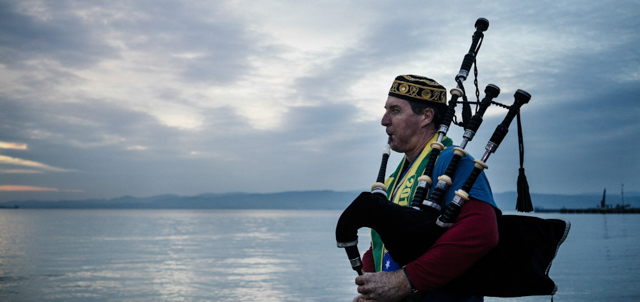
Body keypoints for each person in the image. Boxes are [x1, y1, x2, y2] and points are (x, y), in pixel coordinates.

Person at [352, 75, 500, 302]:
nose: (384, 120)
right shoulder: (392, 180)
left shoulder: (453, 162)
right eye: (386, 110)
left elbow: (481, 232)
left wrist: (406, 281)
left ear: (426, 116)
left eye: (395, 111)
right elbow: (379, 244)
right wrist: (371, 287)